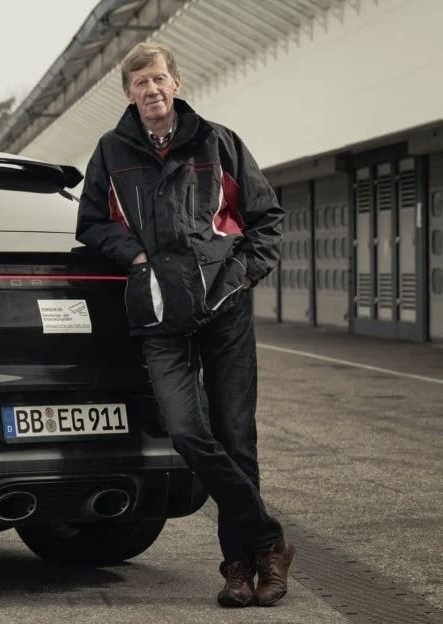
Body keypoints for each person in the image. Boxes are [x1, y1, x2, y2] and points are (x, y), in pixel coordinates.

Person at [75, 43, 293, 608]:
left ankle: (241, 567)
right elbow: (91, 223)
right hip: (157, 311)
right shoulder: (111, 151)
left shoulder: (217, 142)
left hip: (223, 310)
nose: (150, 90)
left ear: (176, 82)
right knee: (187, 431)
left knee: (236, 438)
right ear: (128, 93)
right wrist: (135, 256)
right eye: (139, 82)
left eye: (158, 79)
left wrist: (241, 275)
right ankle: (269, 539)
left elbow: (266, 218)